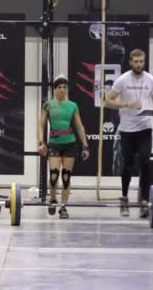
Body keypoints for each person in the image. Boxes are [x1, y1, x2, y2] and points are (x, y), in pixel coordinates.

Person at [104, 49, 153, 217]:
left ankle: (144, 201)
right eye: (135, 61)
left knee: (145, 161)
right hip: (127, 129)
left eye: (141, 61)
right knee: (127, 164)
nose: (138, 64)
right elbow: (107, 100)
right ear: (130, 62)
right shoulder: (123, 80)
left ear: (144, 61)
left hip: (144, 127)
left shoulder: (150, 79)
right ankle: (124, 198)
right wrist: (127, 104)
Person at [38, 74, 89, 219]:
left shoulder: (73, 106)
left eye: (64, 87)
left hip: (70, 144)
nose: (62, 89)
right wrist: (41, 142)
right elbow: (41, 125)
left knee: (66, 177)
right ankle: (53, 199)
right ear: (54, 89)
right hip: (54, 144)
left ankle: (64, 207)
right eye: (59, 87)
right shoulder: (48, 105)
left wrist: (85, 146)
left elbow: (79, 127)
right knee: (54, 175)